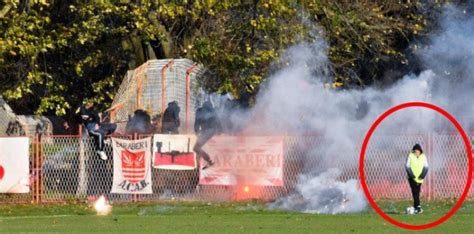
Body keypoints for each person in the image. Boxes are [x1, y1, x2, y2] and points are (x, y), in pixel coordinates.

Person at [194, 101, 221, 169]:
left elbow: (197, 122)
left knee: (196, 148)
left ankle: (209, 161)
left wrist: (197, 131)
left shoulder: (200, 111)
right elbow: (218, 122)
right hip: (210, 131)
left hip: (208, 131)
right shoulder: (213, 110)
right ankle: (203, 163)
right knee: (198, 148)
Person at [405, 144, 429, 214]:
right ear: (414, 150)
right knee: (415, 192)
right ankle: (418, 206)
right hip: (412, 178)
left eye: (418, 150)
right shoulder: (410, 156)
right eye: (415, 150)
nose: (417, 152)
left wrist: (422, 175)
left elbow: (426, 167)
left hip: (420, 178)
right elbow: (407, 166)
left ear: (420, 151)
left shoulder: (423, 157)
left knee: (417, 192)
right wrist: (411, 175)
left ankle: (416, 207)